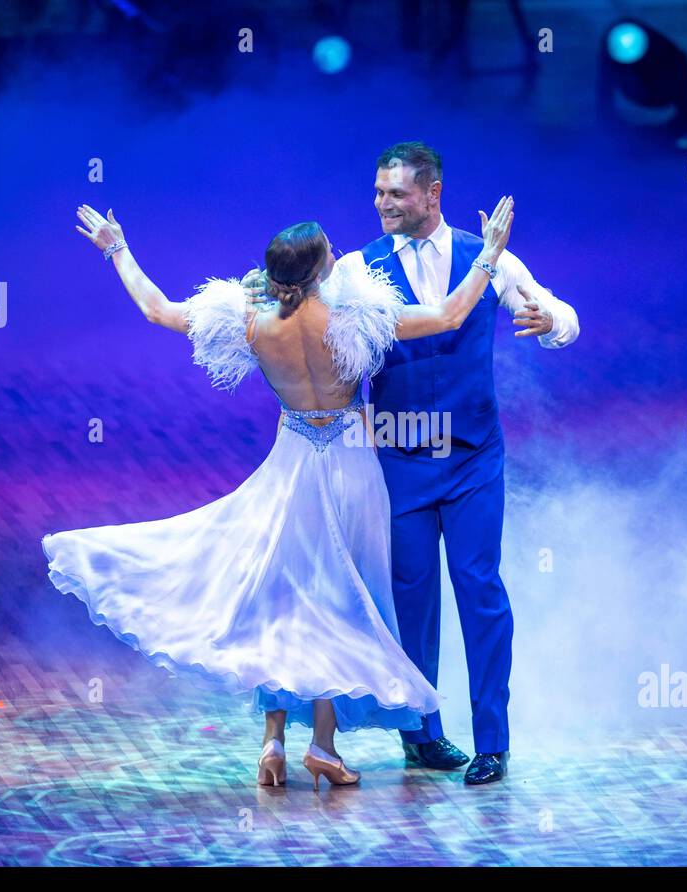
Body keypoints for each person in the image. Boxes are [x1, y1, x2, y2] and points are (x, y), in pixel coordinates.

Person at [42, 196, 514, 790]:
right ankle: (322, 745)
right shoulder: (353, 319)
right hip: (349, 469)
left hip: (291, 464)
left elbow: (158, 310)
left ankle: (272, 743)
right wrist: (490, 256)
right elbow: (448, 315)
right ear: (320, 270)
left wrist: (117, 248)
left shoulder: (251, 320)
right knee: (336, 601)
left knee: (282, 595)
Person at [342, 142, 580, 785]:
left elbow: (566, 317)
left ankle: (493, 743)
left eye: (395, 193)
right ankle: (421, 736)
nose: (382, 204)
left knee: (480, 592)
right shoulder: (356, 270)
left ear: (432, 192)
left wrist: (548, 318)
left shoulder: (487, 256)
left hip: (474, 457)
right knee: (413, 600)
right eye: (378, 192)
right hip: (400, 460)